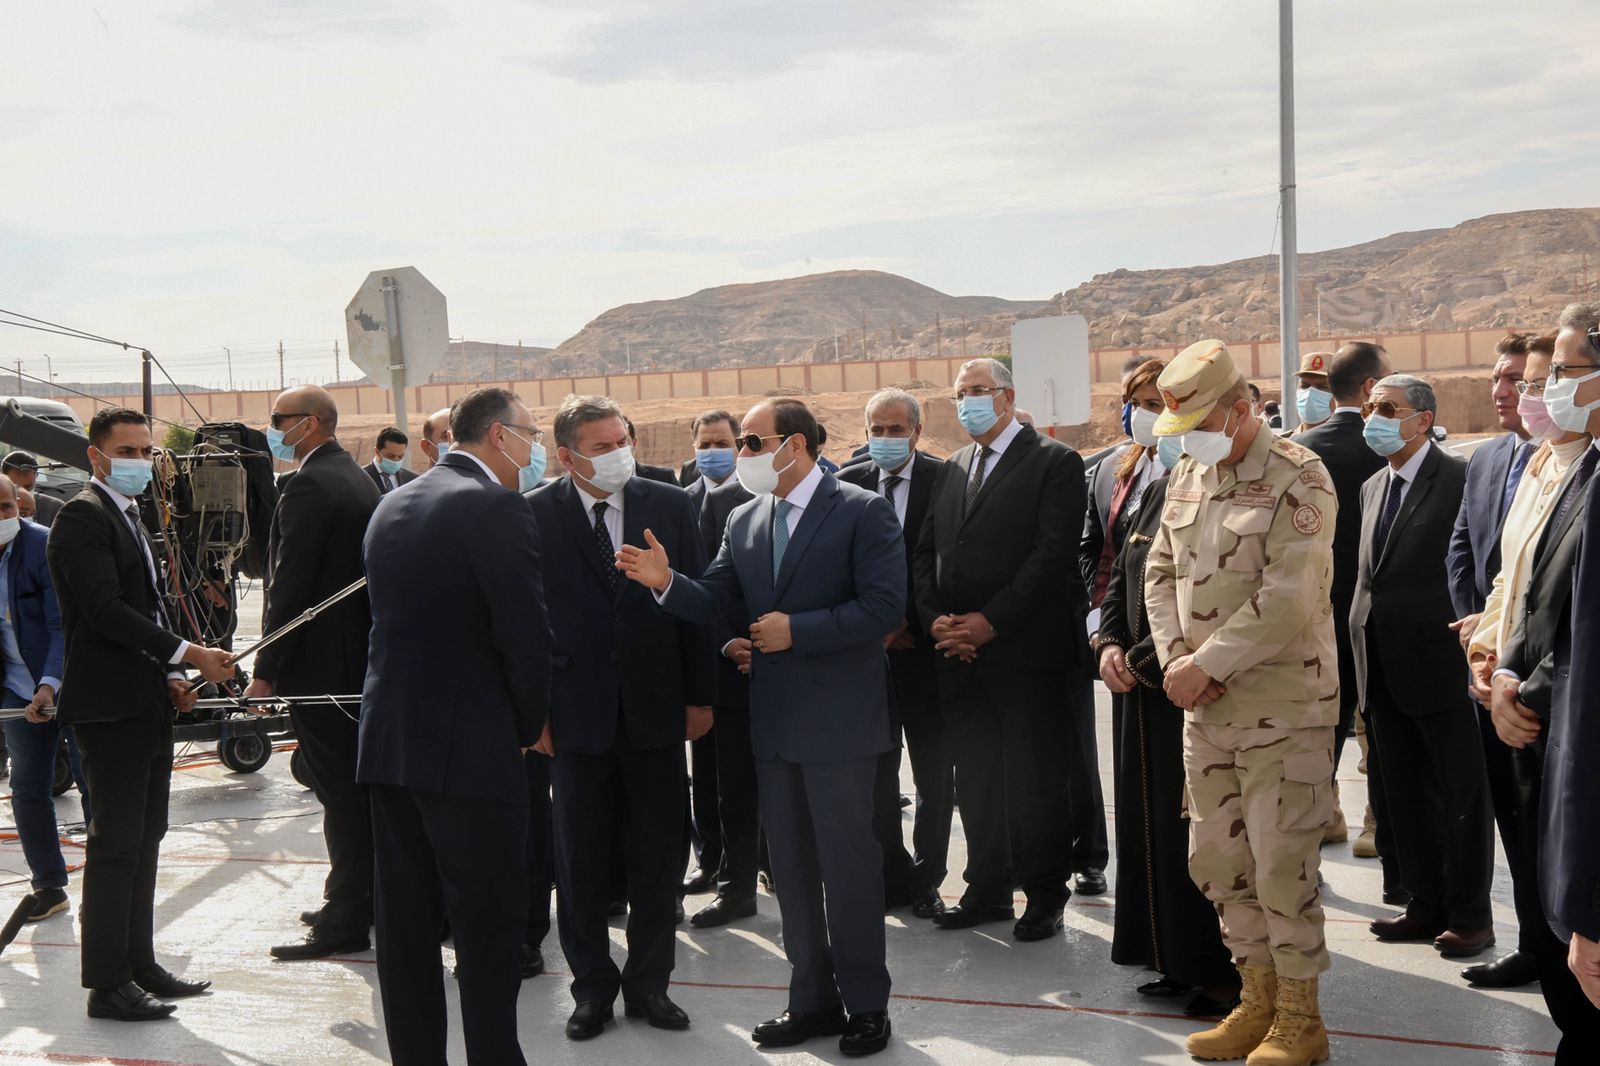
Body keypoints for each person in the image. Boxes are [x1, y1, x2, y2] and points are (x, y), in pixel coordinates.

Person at [617, 398, 903, 1057]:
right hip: (775, 726)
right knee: (793, 874)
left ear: (794, 444)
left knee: (849, 870)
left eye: (751, 441)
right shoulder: (745, 518)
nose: (740, 453)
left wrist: (797, 631)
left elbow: (885, 607)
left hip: (841, 727)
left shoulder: (861, 511)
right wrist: (666, 583)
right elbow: (714, 596)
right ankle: (812, 1001)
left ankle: (866, 1005)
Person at [1144, 340, 1340, 1064]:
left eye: (1199, 422)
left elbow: (1288, 597)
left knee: (1283, 868)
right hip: (1206, 711)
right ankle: (1254, 1002)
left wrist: (1207, 664)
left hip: (1283, 712)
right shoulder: (1190, 472)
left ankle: (1300, 1020)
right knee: (1222, 865)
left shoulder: (1300, 475)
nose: (1189, 437)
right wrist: (1177, 661)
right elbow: (1158, 570)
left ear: (1239, 408)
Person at [357, 387, 553, 1066]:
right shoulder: (493, 505)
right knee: (488, 925)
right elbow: (525, 636)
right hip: (471, 748)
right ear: (499, 435)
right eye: (532, 434)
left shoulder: (394, 501)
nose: (536, 448)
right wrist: (528, 725)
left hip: (391, 743)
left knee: (406, 925)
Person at [527, 395, 713, 1041]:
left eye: (622, 441)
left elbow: (700, 604)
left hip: (655, 712)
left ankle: (650, 985)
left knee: (658, 857)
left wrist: (699, 696)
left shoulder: (671, 504)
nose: (618, 455)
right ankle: (591, 991)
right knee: (578, 862)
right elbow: (524, 624)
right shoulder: (534, 515)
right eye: (602, 447)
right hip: (573, 717)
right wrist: (532, 712)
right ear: (567, 456)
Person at [47, 407, 234, 1021]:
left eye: (147, 451)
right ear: (95, 455)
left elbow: (150, 609)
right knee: (116, 845)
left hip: (145, 700)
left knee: (146, 839)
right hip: (109, 708)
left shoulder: (132, 516)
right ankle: (107, 984)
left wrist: (174, 675)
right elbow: (105, 611)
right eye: (126, 451)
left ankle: (138, 963)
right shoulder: (83, 516)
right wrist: (190, 653)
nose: (140, 462)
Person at [914, 357, 1094, 939]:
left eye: (979, 390)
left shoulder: (1054, 461)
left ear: (1008, 396)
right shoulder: (952, 467)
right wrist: (937, 622)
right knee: (977, 780)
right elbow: (926, 552)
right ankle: (986, 889)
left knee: (1035, 780)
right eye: (960, 392)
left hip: (1026, 654)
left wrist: (990, 622)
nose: (967, 401)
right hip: (958, 656)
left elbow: (1052, 555)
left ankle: (1044, 893)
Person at [1471, 322, 1600, 1058]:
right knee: (1536, 870)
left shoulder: (1589, 476)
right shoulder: (1542, 464)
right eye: (1531, 382)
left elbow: (1576, 621)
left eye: (1556, 375)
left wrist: (1523, 686)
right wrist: (1492, 665)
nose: (1538, 393)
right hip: (1515, 695)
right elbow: (1512, 582)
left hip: (1561, 712)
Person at [1351, 375, 1495, 960]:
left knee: (1460, 797)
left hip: (1442, 665)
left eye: (1388, 408)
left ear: (1423, 419)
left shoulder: (1459, 479)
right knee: (1402, 795)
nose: (1373, 418)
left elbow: (1477, 566)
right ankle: (1423, 902)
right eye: (1370, 407)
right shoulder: (1372, 486)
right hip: (1382, 665)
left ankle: (1471, 916)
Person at [1095, 463, 1239, 1019]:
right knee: (1149, 829)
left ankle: (1220, 972)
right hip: (1138, 694)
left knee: (1200, 834)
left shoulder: (1236, 491)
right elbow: (1124, 573)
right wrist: (1110, 642)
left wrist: (1144, 660)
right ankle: (1169, 956)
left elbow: (1223, 597)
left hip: (1193, 687)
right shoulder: (1161, 490)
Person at [247, 385, 380, 960]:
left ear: (311, 423)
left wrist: (266, 667)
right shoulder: (354, 477)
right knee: (352, 792)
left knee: (340, 795)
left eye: (279, 419)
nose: (273, 428)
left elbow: (292, 584)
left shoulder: (309, 484)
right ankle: (356, 896)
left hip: (321, 668)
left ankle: (346, 915)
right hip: (353, 663)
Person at [1446, 332, 1541, 987]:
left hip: (1537, 676)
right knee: (1512, 815)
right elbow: (1462, 549)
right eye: (1500, 379)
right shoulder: (1486, 458)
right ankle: (1535, 945)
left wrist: (1503, 640)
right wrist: (1478, 640)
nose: (1503, 392)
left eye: (1519, 380)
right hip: (1487, 674)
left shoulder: (1572, 467)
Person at [839, 389, 951, 918]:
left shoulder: (945, 480)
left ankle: (928, 877)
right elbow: (838, 568)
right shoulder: (847, 484)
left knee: (934, 774)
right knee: (878, 777)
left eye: (896, 429)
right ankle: (890, 874)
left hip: (925, 653)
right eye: (876, 430)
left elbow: (947, 562)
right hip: (868, 657)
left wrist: (912, 622)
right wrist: (876, 628)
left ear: (917, 431)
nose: (885, 438)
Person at [1296, 341, 1390, 852]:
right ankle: (1376, 821)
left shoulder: (1299, 449)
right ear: (1371, 385)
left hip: (1316, 608)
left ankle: (1325, 814)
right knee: (1375, 719)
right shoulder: (1388, 446)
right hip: (1374, 608)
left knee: (1323, 721)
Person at [0, 476, 83, 924]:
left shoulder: (43, 546)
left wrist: (50, 684)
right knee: (28, 788)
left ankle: (111, 882)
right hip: (16, 689)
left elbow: (61, 625)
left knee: (94, 783)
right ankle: (49, 886)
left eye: (6, 507)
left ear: (20, 506)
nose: (1, 517)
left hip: (70, 685)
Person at [679, 410, 741, 900]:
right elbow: (688, 582)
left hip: (753, 649)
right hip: (703, 649)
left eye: (722, 442)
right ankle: (710, 858)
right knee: (705, 766)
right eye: (705, 443)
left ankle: (756, 859)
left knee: (746, 770)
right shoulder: (680, 500)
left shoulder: (754, 495)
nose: (713, 451)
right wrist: (719, 639)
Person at [3, 451, 63, 526]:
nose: (23, 493)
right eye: (15, 487)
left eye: (28, 487)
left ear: (36, 476)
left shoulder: (55, 509)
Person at [623, 416, 679, 485]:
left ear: (634, 443)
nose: (616, 450)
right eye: (609, 444)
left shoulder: (664, 479)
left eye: (622, 442)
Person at [365, 426, 418, 495]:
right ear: (377, 452)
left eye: (400, 456)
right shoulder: (361, 478)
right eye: (390, 456)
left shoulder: (412, 480)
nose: (396, 461)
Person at [1292, 351, 1335, 432]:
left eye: (1322, 387)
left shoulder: (1353, 439)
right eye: (1305, 386)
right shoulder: (1284, 440)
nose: (1309, 393)